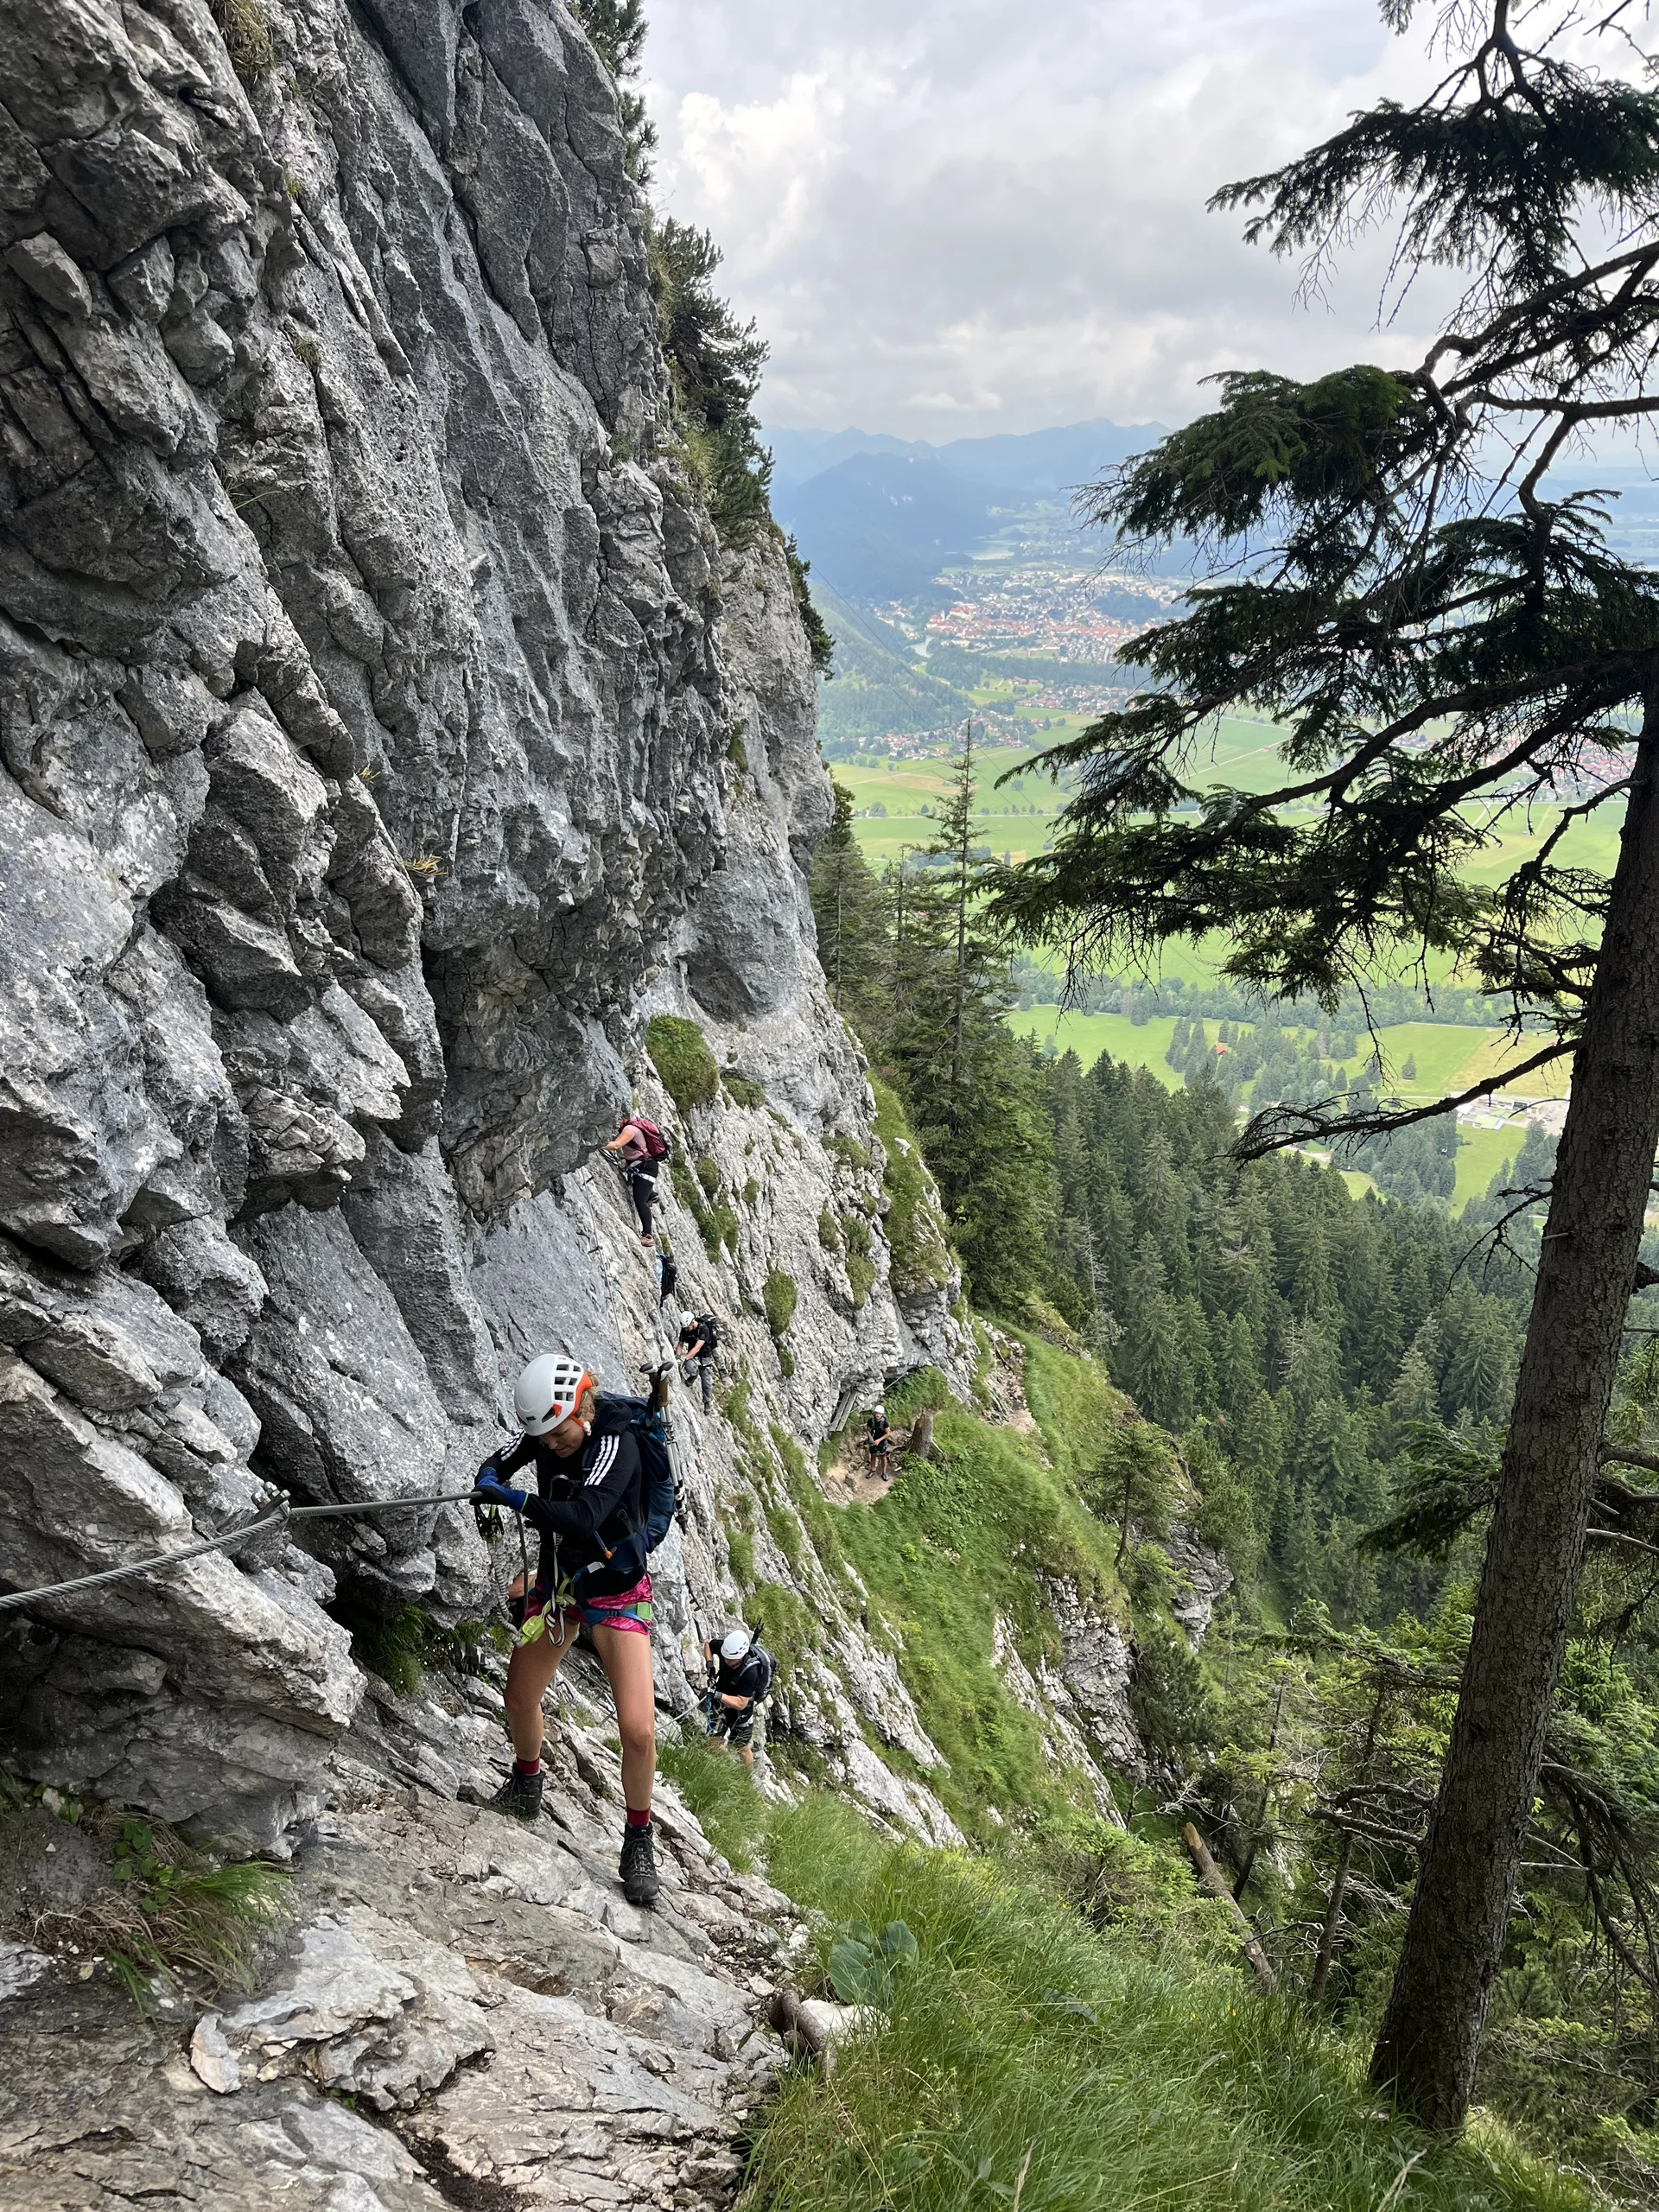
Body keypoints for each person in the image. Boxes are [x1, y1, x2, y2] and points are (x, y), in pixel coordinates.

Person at [473, 1353, 661, 1906]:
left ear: (580, 1408)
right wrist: (489, 1478)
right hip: (561, 1588)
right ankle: (527, 1784)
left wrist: (517, 1499)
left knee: (639, 1730)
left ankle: (638, 1840)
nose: (552, 1447)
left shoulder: (614, 1445)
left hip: (617, 1591)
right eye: (546, 1438)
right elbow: (504, 1457)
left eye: (559, 1436)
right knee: (519, 1696)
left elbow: (583, 1516)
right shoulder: (549, 1432)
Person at [702, 1625, 772, 1770]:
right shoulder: (726, 1650)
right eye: (725, 1658)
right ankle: (727, 1765)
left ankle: (746, 1778)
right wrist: (710, 1665)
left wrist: (717, 1695)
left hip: (740, 1713)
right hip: (721, 1704)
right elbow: (708, 1644)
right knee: (713, 1740)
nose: (727, 1661)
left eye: (731, 1660)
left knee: (742, 1747)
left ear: (741, 1657)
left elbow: (741, 1703)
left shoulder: (750, 1672)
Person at [604, 1114, 661, 1248]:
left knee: (640, 1200)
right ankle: (652, 1194)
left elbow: (616, 1145)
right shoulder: (633, 1128)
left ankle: (648, 1235)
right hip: (643, 1165)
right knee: (641, 1189)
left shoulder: (630, 1130)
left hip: (645, 1168)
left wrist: (595, 1145)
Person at [675, 1308, 719, 1412]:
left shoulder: (703, 1329)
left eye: (687, 1327)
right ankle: (693, 1375)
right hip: (692, 1355)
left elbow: (697, 1348)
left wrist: (684, 1358)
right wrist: (678, 1357)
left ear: (692, 1323)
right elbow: (680, 1344)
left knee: (705, 1378)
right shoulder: (685, 1330)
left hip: (704, 1355)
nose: (686, 1330)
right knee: (690, 1367)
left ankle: (707, 1402)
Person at [866, 1402, 894, 1481]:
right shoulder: (871, 1421)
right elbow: (868, 1430)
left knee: (883, 1457)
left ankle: (884, 1473)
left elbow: (888, 1433)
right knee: (873, 1456)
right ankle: (872, 1470)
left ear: (882, 1414)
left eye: (880, 1414)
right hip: (873, 1441)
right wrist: (870, 1438)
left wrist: (879, 1440)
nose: (878, 1415)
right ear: (875, 1413)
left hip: (881, 1442)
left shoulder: (885, 1422)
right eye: (877, 1413)